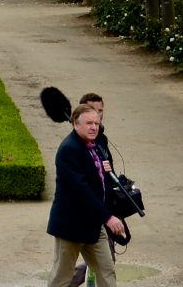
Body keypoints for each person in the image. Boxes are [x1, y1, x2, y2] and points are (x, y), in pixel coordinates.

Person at [46, 104, 123, 287]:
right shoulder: (69, 149)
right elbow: (81, 190)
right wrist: (108, 217)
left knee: (107, 271)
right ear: (75, 124)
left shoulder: (95, 145)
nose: (94, 127)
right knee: (61, 278)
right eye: (89, 123)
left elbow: (100, 183)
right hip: (71, 226)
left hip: (95, 224)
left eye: (96, 123)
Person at [68, 93, 116, 286]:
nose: (97, 116)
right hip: (82, 218)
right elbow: (81, 185)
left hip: (102, 213)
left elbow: (104, 174)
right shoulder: (73, 147)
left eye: (100, 111)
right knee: (63, 273)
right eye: (92, 111)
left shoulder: (101, 139)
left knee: (106, 266)